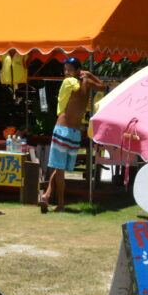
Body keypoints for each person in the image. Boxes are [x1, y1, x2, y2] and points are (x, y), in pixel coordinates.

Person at [40, 57, 104, 212]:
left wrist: (86, 73)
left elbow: (102, 87)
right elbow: (102, 86)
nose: (66, 73)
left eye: (69, 70)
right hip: (74, 131)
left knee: (59, 167)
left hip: (64, 130)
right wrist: (89, 75)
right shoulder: (83, 83)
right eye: (65, 70)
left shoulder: (70, 82)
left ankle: (47, 196)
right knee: (60, 168)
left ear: (77, 71)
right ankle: (58, 202)